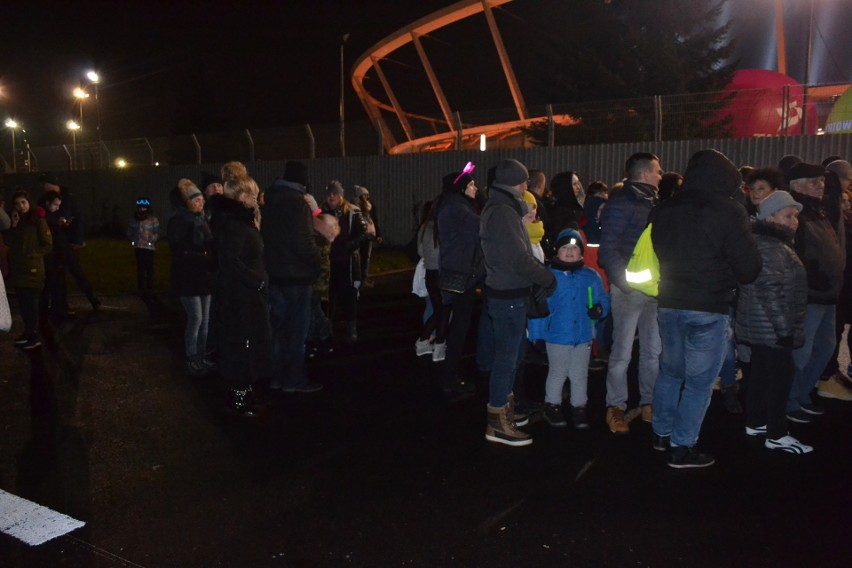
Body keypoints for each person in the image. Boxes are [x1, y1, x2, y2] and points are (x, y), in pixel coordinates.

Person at [651, 149, 761, 468]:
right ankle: (682, 447)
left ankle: (661, 434)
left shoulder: (666, 208)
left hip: (669, 301)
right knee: (699, 382)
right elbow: (748, 268)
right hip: (708, 305)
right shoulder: (728, 210)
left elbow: (659, 250)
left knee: (670, 372)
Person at [480, 158, 556, 447]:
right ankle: (497, 421)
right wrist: (547, 278)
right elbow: (518, 258)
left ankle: (504, 410)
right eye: (524, 180)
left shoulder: (504, 207)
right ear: (514, 181)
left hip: (508, 293)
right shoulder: (502, 211)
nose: (528, 184)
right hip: (508, 295)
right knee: (507, 358)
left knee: (511, 356)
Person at [736, 190, 811, 454]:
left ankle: (756, 422)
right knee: (780, 376)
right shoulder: (769, 246)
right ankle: (777, 433)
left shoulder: (770, 243)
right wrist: (785, 330)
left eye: (795, 216)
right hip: (770, 328)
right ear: (770, 218)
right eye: (788, 215)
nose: (794, 221)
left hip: (762, 326)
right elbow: (771, 291)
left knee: (761, 374)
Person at [598, 152, 663, 434]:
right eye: (658, 171)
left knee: (653, 351)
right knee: (622, 352)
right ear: (645, 173)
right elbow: (608, 249)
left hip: (655, 289)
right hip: (630, 291)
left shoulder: (655, 202)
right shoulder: (621, 203)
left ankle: (649, 401)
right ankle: (615, 406)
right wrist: (625, 284)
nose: (661, 175)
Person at [528, 228, 609, 430]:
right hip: (557, 335)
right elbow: (539, 307)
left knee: (580, 373)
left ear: (581, 252)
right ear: (557, 251)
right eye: (565, 248)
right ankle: (552, 404)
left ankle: (578, 406)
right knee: (558, 371)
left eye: (574, 248)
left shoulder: (590, 276)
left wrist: (599, 309)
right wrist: (536, 334)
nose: (570, 252)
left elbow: (602, 298)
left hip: (583, 336)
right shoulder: (549, 277)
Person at [785, 163, 848, 415]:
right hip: (810, 296)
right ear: (796, 185)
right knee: (801, 352)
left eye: (821, 181)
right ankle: (788, 402)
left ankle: (802, 393)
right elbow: (794, 255)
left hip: (827, 295)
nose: (820, 186)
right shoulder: (795, 213)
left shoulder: (818, 211)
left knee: (825, 348)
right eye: (813, 181)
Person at [208, 169, 271, 416]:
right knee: (239, 346)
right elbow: (230, 261)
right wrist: (258, 282)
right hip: (240, 297)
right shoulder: (233, 223)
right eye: (254, 195)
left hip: (246, 295)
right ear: (243, 196)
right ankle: (239, 397)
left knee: (246, 344)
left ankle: (244, 391)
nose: (257, 199)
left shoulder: (240, 220)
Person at [263, 161, 323, 393]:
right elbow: (303, 242)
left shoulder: (270, 201)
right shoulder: (297, 204)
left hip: (275, 274)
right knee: (297, 333)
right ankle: (294, 380)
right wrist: (317, 262)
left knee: (278, 330)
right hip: (297, 276)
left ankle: (277, 377)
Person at [436, 170, 485, 392]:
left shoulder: (453, 205)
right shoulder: (458, 208)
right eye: (472, 185)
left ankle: (450, 375)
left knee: (458, 324)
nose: (476, 188)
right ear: (461, 188)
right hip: (462, 273)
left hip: (456, 270)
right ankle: (449, 378)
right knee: (459, 328)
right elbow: (482, 229)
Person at [168, 179, 215, 376]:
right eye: (196, 200)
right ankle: (192, 358)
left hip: (203, 277)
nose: (201, 203)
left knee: (205, 321)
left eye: (201, 199)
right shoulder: (180, 220)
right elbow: (179, 251)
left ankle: (201, 356)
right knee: (195, 319)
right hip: (188, 278)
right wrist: (203, 256)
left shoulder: (202, 219)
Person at [39, 174, 100, 310]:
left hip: (66, 243)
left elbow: (78, 218)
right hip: (53, 245)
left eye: (44, 185)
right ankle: (59, 304)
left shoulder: (68, 199)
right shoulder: (44, 203)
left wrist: (77, 239)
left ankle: (91, 298)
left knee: (76, 271)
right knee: (55, 275)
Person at [321, 180, 369, 344]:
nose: (331, 197)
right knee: (328, 298)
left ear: (340, 196)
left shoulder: (353, 212)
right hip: (328, 263)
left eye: (334, 194)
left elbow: (365, 233)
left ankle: (351, 327)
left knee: (348, 296)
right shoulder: (321, 212)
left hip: (346, 263)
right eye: (328, 194)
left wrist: (350, 246)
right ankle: (328, 328)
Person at [4, 190, 52, 349]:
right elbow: (9, 242)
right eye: (17, 203)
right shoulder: (16, 220)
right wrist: (14, 225)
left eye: (23, 202)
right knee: (23, 305)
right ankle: (28, 332)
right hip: (19, 269)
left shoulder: (37, 219)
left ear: (29, 202)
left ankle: (34, 335)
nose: (20, 206)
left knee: (31, 305)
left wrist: (33, 255)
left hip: (32, 270)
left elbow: (47, 244)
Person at [821, 160, 852, 388]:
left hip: (838, 277)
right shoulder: (828, 204)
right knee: (831, 330)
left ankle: (828, 372)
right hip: (834, 279)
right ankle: (826, 375)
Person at [414, 200, 448, 359]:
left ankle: (433, 343)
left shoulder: (424, 226)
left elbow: (420, 251)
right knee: (443, 310)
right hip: (443, 273)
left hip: (430, 273)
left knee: (438, 309)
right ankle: (430, 342)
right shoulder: (443, 227)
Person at [307, 206, 340, 357]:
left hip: (316, 281)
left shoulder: (318, 240)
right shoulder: (322, 240)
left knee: (314, 310)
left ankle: (324, 338)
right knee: (314, 310)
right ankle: (318, 340)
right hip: (319, 281)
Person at [38, 190, 70, 327]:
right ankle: (49, 313)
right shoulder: (44, 218)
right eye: (55, 205)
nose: (57, 208)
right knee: (50, 285)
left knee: (57, 284)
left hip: (57, 257)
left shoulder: (52, 216)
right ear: (47, 203)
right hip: (51, 258)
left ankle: (57, 310)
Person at [127, 197, 160, 300]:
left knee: (149, 268)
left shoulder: (153, 219)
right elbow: (129, 231)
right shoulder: (134, 219)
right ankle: (141, 288)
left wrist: (152, 239)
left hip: (149, 248)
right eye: (140, 208)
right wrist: (133, 240)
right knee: (140, 268)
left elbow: (157, 232)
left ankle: (150, 288)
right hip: (138, 247)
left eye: (144, 208)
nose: (142, 210)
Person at [355, 185, 381, 288]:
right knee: (362, 257)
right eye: (365, 195)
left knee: (365, 257)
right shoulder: (358, 205)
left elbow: (374, 219)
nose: (367, 197)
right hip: (362, 234)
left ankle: (363, 278)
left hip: (369, 234)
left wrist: (378, 233)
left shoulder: (369, 206)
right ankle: (361, 279)